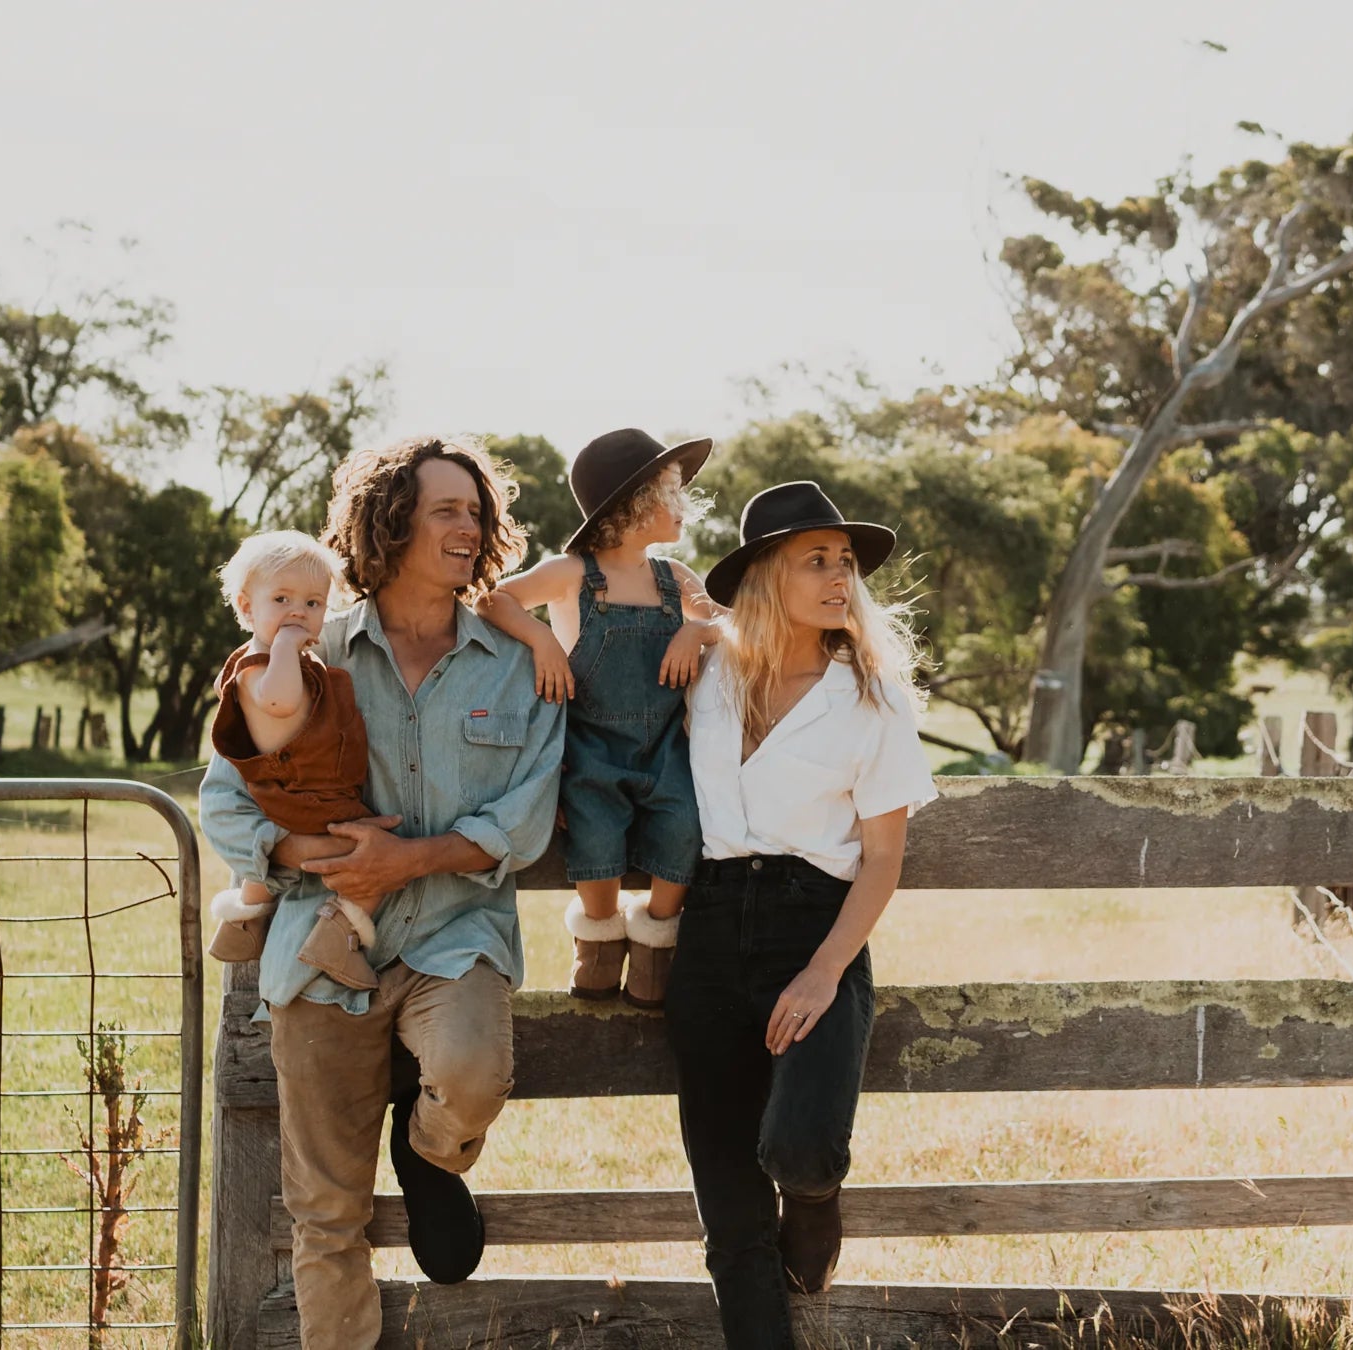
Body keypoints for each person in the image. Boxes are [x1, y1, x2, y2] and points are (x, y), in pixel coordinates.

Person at [199, 436, 564, 1349]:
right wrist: (306, 849)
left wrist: (412, 859)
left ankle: (430, 1152)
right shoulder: (306, 649)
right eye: (447, 509)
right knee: (325, 1213)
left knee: (473, 1082)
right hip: (323, 948)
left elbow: (528, 816)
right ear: (391, 521)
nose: (467, 526)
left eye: (476, 513)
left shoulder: (517, 660)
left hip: (455, 931)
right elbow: (223, 796)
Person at [673, 481, 937, 1349]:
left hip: (814, 925)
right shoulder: (707, 672)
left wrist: (825, 970)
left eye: (845, 562)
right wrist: (688, 622)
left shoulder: (872, 697)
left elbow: (885, 856)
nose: (839, 577)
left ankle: (818, 1202)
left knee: (800, 1150)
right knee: (730, 1208)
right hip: (709, 934)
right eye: (814, 560)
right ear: (762, 577)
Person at [478, 428, 722, 1008]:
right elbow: (492, 600)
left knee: (685, 827)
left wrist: (696, 628)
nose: (684, 505)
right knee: (595, 835)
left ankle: (656, 936)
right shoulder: (571, 573)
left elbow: (731, 622)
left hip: (664, 746)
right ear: (633, 504)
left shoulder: (675, 580)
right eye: (671, 492)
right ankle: (599, 938)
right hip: (590, 746)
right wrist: (540, 636)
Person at [202, 530, 399, 992]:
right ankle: (340, 933)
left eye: (314, 604)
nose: (299, 612)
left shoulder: (260, 658)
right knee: (372, 860)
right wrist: (289, 648)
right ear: (247, 608)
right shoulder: (264, 667)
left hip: (293, 790)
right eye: (283, 599)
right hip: (306, 796)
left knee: (359, 853)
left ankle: (244, 921)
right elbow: (282, 703)